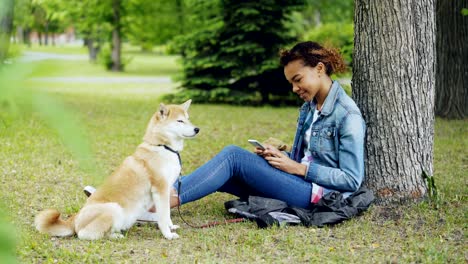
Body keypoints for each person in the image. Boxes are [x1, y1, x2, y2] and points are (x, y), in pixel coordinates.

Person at [85, 41, 366, 221]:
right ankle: (139, 199)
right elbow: (305, 156)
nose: (294, 88)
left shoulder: (347, 115)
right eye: (291, 83)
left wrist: (297, 169)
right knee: (223, 172)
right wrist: (279, 155)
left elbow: (351, 180)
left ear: (319, 69)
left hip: (316, 196)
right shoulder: (310, 106)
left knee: (232, 157)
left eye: (297, 80)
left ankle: (157, 203)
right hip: (298, 182)